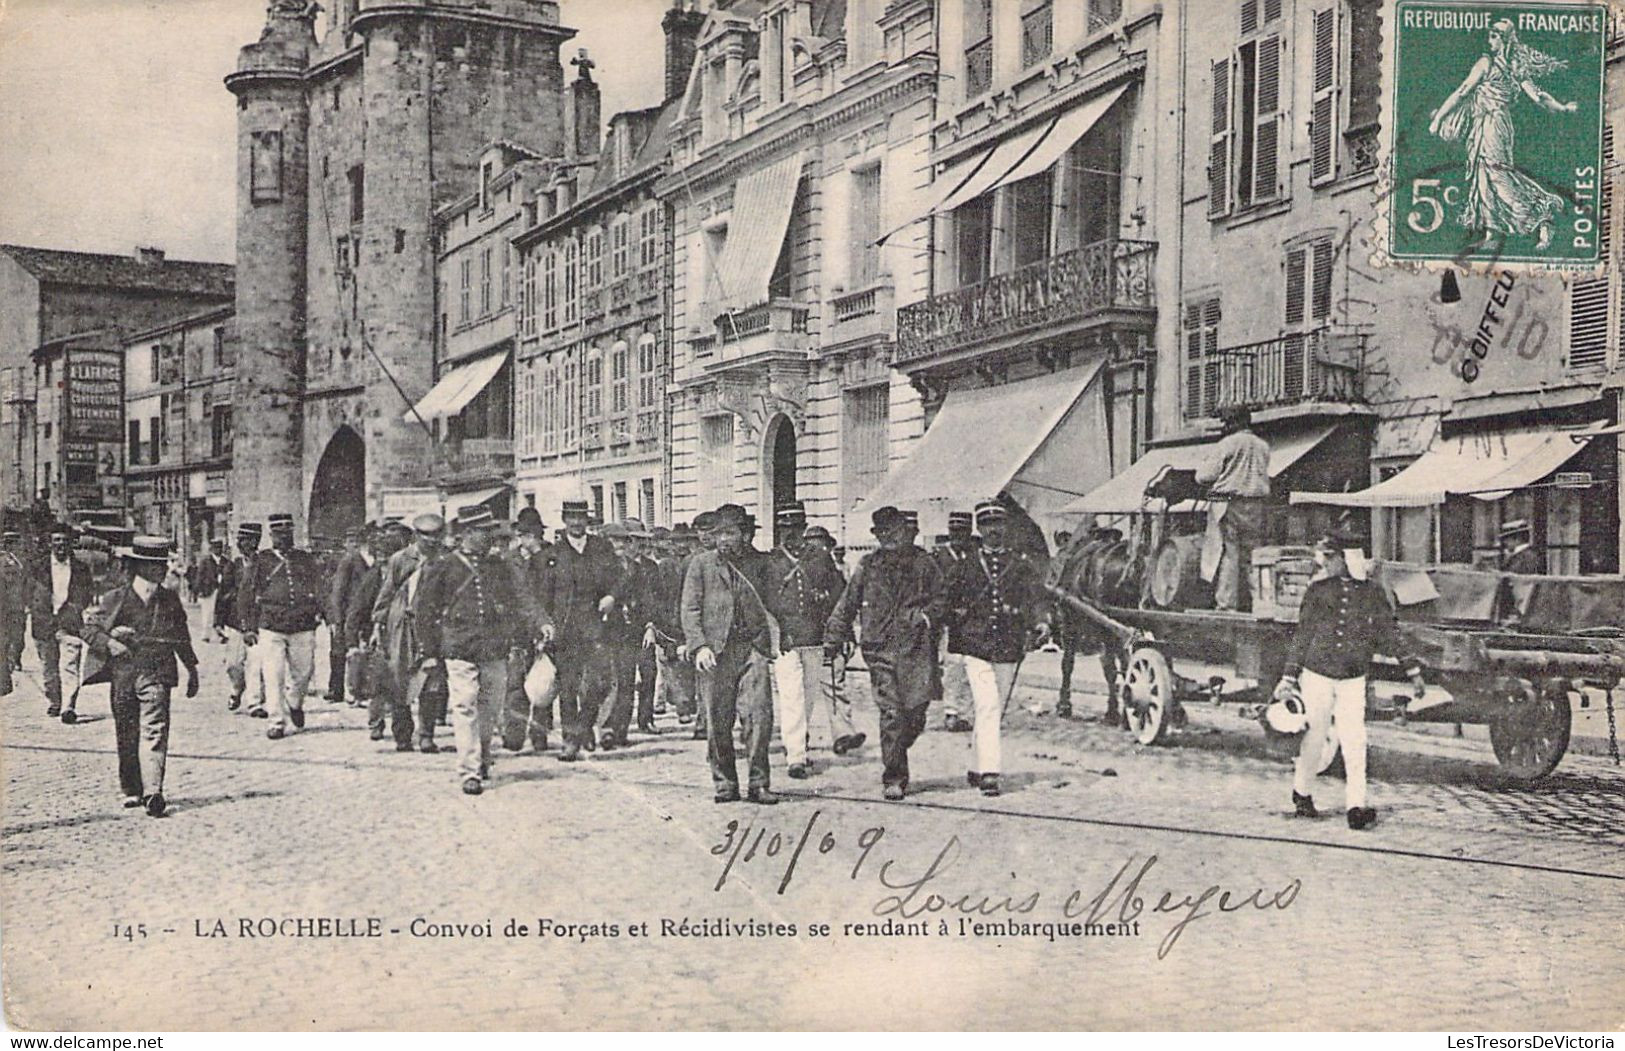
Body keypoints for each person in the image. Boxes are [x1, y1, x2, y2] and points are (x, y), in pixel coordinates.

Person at [1274, 530, 1425, 830]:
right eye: (1324, 557)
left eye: (1330, 557)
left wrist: (1413, 671)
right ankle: (1302, 793)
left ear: (1347, 558)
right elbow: (1303, 635)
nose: (1324, 563)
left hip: (1353, 678)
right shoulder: (1318, 591)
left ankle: (1356, 805)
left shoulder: (1372, 593)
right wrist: (1289, 677)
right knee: (1314, 738)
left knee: (1355, 740)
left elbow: (1389, 632)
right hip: (1317, 675)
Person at [414, 505, 549, 795]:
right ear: (465, 534)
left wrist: (541, 621)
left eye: (488, 532)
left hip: (493, 647)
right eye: (480, 532)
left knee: (490, 709)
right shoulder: (443, 566)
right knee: (464, 706)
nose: (487, 537)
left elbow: (522, 598)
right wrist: (427, 652)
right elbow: (424, 611)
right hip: (459, 647)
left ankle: (483, 754)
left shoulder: (500, 567)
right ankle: (469, 770)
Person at [825, 505, 943, 801]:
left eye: (894, 531)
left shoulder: (924, 563)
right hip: (879, 648)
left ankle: (899, 745)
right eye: (882, 532)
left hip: (916, 649)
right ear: (876, 535)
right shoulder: (868, 565)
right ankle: (894, 776)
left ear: (906, 531)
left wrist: (926, 616)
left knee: (915, 712)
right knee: (891, 712)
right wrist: (833, 637)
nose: (889, 537)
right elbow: (847, 603)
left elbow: (944, 599)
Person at [1428, 18, 1576, 250]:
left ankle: (1541, 219)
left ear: (1503, 39)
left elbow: (1463, 91)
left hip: (1492, 124)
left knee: (1497, 175)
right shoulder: (1515, 69)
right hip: (1491, 124)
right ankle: (1492, 232)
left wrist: (1438, 118)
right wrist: (1562, 107)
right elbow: (1539, 97)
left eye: (1493, 36)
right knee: (1483, 176)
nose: (1489, 40)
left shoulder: (1486, 63)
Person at [78, 536, 199, 818]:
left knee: (155, 730)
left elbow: (181, 636)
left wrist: (192, 669)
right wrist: (110, 643)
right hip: (124, 674)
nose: (161, 570)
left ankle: (153, 792)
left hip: (157, 670)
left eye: (162, 564)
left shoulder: (169, 599)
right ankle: (131, 788)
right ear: (139, 566)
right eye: (154, 565)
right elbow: (88, 630)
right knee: (127, 732)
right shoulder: (114, 598)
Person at [941, 500, 1048, 798]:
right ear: (980, 529)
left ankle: (976, 764)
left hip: (1009, 644)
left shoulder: (1020, 563)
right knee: (987, 705)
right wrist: (955, 621)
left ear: (1005, 527)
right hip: (976, 645)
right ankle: (990, 772)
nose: (994, 532)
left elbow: (1035, 598)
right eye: (988, 526)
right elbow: (947, 599)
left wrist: (1041, 622)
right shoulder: (966, 564)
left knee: (993, 709)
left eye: (998, 525)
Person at [682, 503, 778, 805]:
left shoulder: (761, 564)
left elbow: (777, 604)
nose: (723, 539)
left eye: (730, 533)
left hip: (752, 649)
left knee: (758, 718)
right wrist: (699, 646)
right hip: (715, 653)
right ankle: (724, 782)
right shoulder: (701, 564)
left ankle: (759, 783)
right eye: (719, 533)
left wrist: (774, 640)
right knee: (717, 720)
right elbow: (690, 608)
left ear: (745, 535)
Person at [767, 502, 858, 779]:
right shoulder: (771, 560)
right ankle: (796, 755)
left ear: (804, 529)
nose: (789, 534)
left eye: (795, 528)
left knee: (807, 696)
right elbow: (763, 602)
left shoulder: (820, 558)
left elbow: (839, 598)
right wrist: (773, 633)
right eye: (784, 529)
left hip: (815, 637)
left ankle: (798, 740)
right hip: (785, 640)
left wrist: (842, 633)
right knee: (791, 695)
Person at [539, 499, 620, 761]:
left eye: (580, 518)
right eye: (571, 518)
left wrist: (612, 597)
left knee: (599, 683)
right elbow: (543, 595)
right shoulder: (552, 554)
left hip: (597, 627)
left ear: (587, 520)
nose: (576, 523)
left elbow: (621, 578)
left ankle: (586, 724)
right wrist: (545, 626)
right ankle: (570, 740)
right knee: (568, 687)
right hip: (565, 630)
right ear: (564, 520)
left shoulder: (601, 548)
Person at [240, 512, 324, 741]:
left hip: (302, 624)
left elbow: (318, 587)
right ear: (271, 535)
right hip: (271, 625)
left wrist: (323, 612)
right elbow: (247, 593)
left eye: (287, 533)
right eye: (278, 533)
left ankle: (294, 702)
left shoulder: (304, 559)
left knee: (304, 673)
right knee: (273, 674)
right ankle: (276, 721)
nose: (283, 538)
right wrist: (248, 625)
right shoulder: (261, 561)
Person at [372, 513, 446, 751]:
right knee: (399, 681)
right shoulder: (400, 560)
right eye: (427, 536)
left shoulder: (446, 559)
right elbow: (386, 594)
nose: (432, 541)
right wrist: (377, 626)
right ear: (416, 536)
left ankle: (426, 735)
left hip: (434, 627)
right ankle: (403, 734)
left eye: (437, 536)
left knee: (431, 681)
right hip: (402, 628)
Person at [1196, 405, 1271, 611]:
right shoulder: (1263, 445)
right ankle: (1262, 603)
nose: (1225, 426)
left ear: (1234, 422)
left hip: (1228, 501)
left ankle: (1226, 604)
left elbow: (1203, 476)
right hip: (1256, 503)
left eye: (1227, 422)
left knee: (1229, 552)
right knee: (1254, 555)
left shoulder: (1227, 444)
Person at [500, 506, 557, 753]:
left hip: (545, 627)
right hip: (515, 630)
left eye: (535, 533)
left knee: (543, 683)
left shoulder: (550, 558)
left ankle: (540, 734)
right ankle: (514, 734)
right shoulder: (508, 560)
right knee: (515, 683)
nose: (531, 538)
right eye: (526, 533)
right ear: (519, 535)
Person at [600, 520, 655, 750]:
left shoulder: (637, 569)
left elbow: (648, 600)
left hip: (631, 630)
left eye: (622, 540)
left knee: (626, 682)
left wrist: (650, 626)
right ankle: (605, 728)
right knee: (605, 682)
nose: (618, 545)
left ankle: (620, 730)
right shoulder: (599, 568)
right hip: (605, 631)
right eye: (613, 540)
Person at [36, 523, 96, 722]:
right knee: (49, 669)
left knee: (70, 665)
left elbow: (87, 594)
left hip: (70, 623)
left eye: (64, 540)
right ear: (50, 543)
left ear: (71, 543)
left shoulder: (81, 569)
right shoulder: (39, 567)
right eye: (56, 540)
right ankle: (55, 700)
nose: (60, 544)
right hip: (44, 623)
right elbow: (27, 591)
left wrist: (74, 608)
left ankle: (68, 706)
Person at [934, 511, 978, 733]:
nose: (958, 536)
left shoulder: (976, 556)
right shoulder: (940, 556)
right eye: (955, 531)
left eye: (963, 531)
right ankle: (951, 712)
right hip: (949, 620)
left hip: (974, 620)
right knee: (953, 666)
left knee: (973, 666)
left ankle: (968, 713)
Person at [219, 522, 266, 715]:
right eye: (239, 540)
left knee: (256, 663)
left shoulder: (264, 564)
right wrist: (218, 621)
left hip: (259, 621)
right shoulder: (234, 565)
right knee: (233, 663)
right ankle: (237, 689)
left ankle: (255, 702)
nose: (241, 544)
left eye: (245, 540)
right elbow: (222, 594)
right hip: (235, 621)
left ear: (255, 542)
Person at [326, 527, 370, 706]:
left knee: (349, 653)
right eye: (351, 541)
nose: (354, 545)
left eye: (357, 541)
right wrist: (337, 619)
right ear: (345, 543)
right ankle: (338, 690)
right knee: (341, 653)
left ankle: (344, 690)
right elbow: (338, 592)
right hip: (346, 613)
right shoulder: (348, 561)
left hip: (356, 613)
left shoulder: (361, 560)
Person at [195, 541, 223, 643]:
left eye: (220, 548)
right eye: (215, 548)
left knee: (220, 612)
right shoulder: (206, 561)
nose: (218, 550)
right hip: (208, 589)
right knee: (207, 613)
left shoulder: (225, 561)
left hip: (221, 590)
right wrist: (199, 590)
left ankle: (220, 634)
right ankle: (205, 635)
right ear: (212, 549)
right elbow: (200, 575)